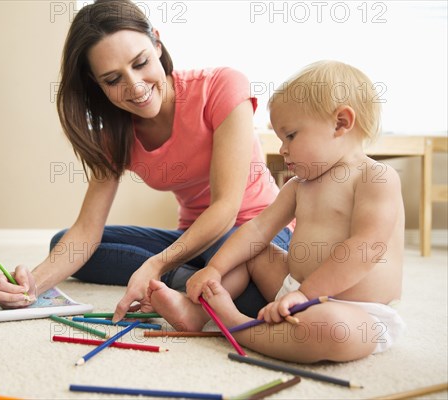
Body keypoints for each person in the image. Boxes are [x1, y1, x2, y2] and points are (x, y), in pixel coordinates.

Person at [0, 0, 291, 321]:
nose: (135, 87)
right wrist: (31, 285)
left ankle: (192, 281)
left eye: (141, 62)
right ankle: (191, 282)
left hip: (259, 231)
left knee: (249, 277)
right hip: (193, 239)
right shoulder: (115, 135)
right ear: (96, 83)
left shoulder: (222, 87)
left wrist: (157, 263)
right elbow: (87, 229)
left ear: (157, 44)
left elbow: (226, 209)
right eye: (112, 79)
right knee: (63, 244)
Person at [147, 60, 406, 363]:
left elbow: (365, 248)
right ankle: (195, 312)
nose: (283, 149)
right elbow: (257, 230)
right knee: (250, 251)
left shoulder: (376, 178)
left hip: (355, 310)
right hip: (291, 289)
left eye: (291, 136)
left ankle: (235, 325)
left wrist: (307, 294)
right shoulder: (299, 186)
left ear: (340, 123)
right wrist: (214, 269)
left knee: (332, 330)